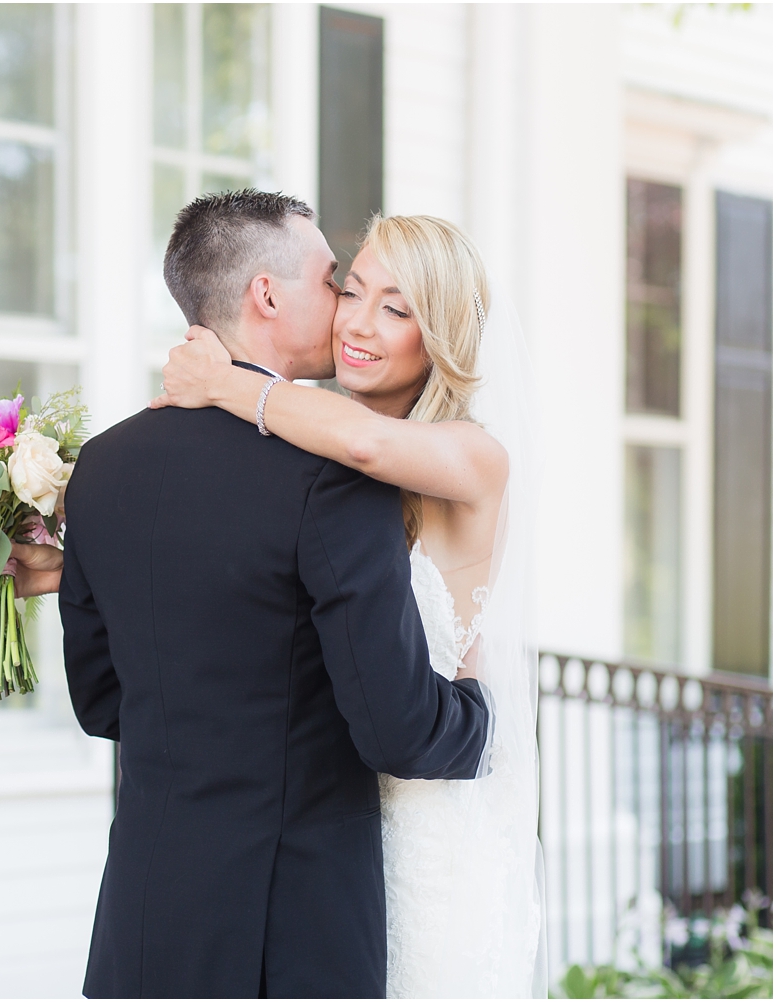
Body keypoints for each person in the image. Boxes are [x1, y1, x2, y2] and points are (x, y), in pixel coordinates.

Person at [12, 190, 494, 998]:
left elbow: (103, 703)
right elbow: (396, 729)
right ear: (267, 294)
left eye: (383, 302)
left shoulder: (102, 467)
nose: (348, 313)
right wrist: (481, 718)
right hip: (290, 933)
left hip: (145, 918)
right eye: (337, 284)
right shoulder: (337, 480)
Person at [151, 212, 547, 998]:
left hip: (426, 826)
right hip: (323, 837)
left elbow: (370, 446)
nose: (359, 324)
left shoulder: (473, 454)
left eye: (397, 310)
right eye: (350, 288)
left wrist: (225, 380)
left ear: (439, 336)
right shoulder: (311, 448)